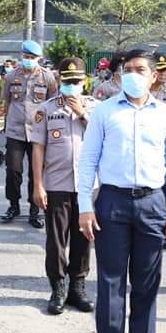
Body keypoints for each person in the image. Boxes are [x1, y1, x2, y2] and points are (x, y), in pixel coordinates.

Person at [77, 49, 166, 333]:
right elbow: (88, 160)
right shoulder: (105, 112)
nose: (132, 75)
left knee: (147, 281)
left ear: (154, 76)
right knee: (111, 281)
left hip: (152, 203)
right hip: (112, 202)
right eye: (127, 70)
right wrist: (85, 207)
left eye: (140, 69)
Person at [31, 57, 96, 315]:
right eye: (67, 82)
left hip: (88, 186)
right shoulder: (46, 109)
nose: (71, 86)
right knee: (56, 241)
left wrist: (82, 113)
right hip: (56, 183)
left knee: (83, 238)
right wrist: (37, 184)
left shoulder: (96, 108)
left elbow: (106, 140)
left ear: (85, 80)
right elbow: (38, 147)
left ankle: (77, 287)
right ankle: (57, 287)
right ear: (59, 80)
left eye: (76, 81)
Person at [0, 40, 58, 228]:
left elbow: (53, 103)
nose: (29, 60)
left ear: (39, 59)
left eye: (32, 58)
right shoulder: (10, 77)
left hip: (38, 133)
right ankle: (13, 205)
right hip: (16, 131)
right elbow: (6, 102)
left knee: (37, 173)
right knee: (13, 170)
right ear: (21, 56)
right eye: (26, 57)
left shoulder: (47, 77)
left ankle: (35, 211)